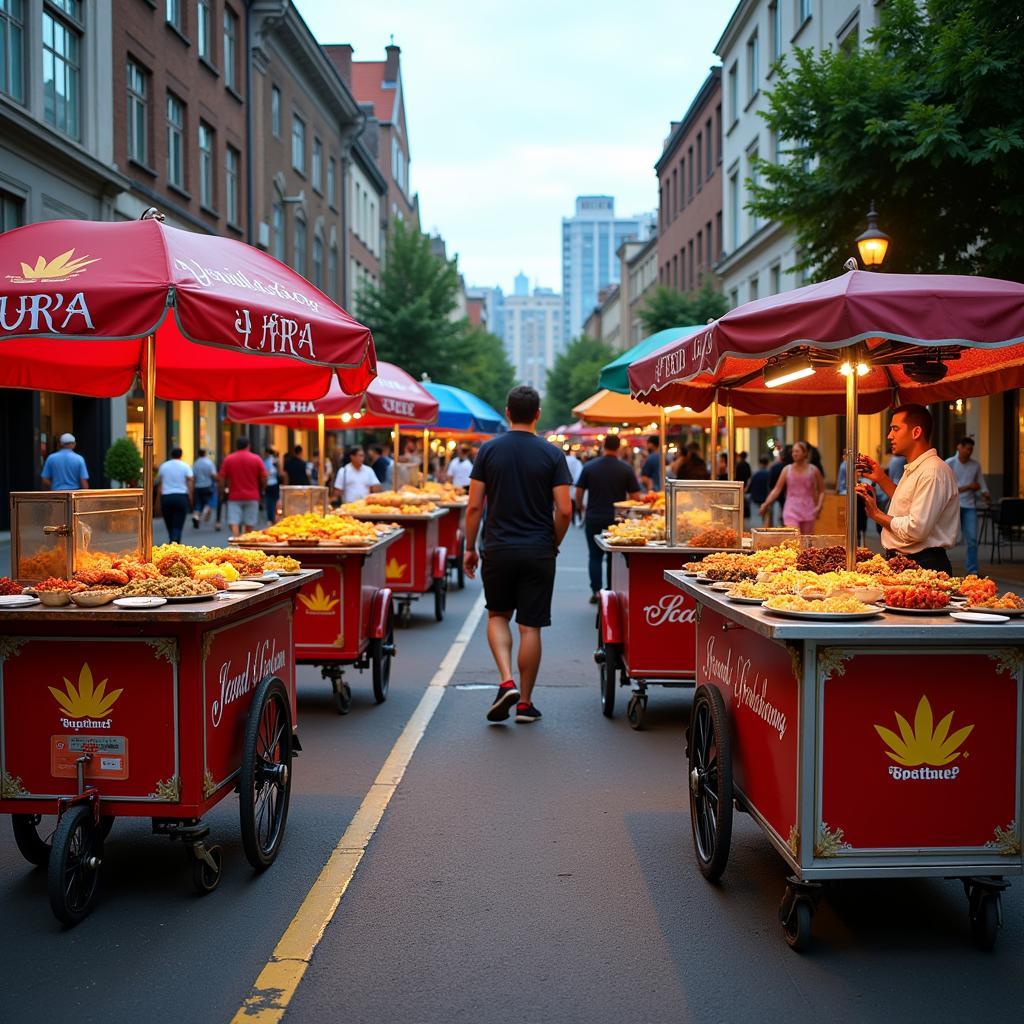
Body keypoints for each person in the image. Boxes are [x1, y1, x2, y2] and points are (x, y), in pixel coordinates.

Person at [465, 385, 572, 725]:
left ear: (507, 412)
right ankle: (525, 703)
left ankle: (505, 679)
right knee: (531, 628)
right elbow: (566, 510)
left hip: (497, 547)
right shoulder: (553, 454)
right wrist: (551, 542)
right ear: (537, 414)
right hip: (538, 549)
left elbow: (473, 506)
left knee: (497, 615)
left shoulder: (488, 451)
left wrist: (469, 547)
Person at [855, 404, 959, 573]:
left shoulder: (932, 471)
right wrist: (881, 478)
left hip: (923, 565)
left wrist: (877, 515)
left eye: (895, 429)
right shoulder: (918, 467)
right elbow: (909, 504)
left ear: (916, 432)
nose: (889, 436)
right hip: (906, 562)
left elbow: (916, 529)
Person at [575, 435, 642, 604]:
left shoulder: (589, 467)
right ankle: (611, 590)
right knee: (613, 556)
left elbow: (578, 493)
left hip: (594, 516)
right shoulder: (625, 469)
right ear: (619, 447)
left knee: (595, 555)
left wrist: (580, 508)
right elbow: (635, 496)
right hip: (617, 519)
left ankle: (596, 591)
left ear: (604, 446)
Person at [945, 436, 990, 576]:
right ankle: (942, 566)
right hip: (953, 505)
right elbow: (946, 488)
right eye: (967, 448)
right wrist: (968, 487)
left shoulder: (975, 465)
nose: (969, 452)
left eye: (971, 449)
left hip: (969, 505)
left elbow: (981, 482)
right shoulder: (949, 463)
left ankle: (972, 569)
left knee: (972, 539)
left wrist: (985, 492)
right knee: (946, 537)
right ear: (959, 447)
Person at [759, 440, 823, 534]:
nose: (794, 454)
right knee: (795, 538)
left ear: (805, 453)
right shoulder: (786, 470)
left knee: (806, 541)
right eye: (793, 451)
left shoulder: (813, 470)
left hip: (808, 509)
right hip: (791, 509)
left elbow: (822, 490)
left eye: (797, 451)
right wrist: (765, 504)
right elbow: (777, 489)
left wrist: (819, 506)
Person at [219, 436, 267, 537]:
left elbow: (222, 477)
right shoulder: (256, 459)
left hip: (234, 495)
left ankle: (236, 542)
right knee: (249, 523)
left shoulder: (229, 459)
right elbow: (264, 476)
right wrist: (262, 488)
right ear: (248, 445)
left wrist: (222, 490)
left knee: (234, 521)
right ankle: (246, 545)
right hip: (252, 495)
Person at [155, 447, 194, 543]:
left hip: (167, 497)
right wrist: (190, 496)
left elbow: (159, 483)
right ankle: (175, 540)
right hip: (181, 497)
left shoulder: (164, 466)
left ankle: (173, 540)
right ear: (181, 455)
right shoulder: (185, 466)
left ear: (170, 454)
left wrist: (157, 501)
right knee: (178, 522)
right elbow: (190, 480)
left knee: (169, 522)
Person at [191, 448, 218, 528]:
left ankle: (196, 516)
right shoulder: (209, 463)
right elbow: (213, 474)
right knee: (208, 502)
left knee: (198, 503)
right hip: (208, 485)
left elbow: (194, 476)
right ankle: (206, 511)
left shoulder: (195, 463)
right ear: (205, 453)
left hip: (198, 486)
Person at [747, 455, 771, 525]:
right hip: (766, 498)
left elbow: (750, 486)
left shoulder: (755, 474)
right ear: (768, 463)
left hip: (755, 499)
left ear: (759, 463)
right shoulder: (769, 474)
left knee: (756, 519)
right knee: (766, 517)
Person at [565, 447, 583, 525]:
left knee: (568, 501)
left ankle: (571, 518)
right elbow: (580, 473)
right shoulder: (576, 461)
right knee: (574, 501)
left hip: (565, 485)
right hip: (574, 484)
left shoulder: (563, 459)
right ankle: (577, 517)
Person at [263, 446, 281, 525]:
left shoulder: (266, 461)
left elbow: (265, 473)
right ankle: (275, 517)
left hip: (269, 483)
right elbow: (279, 472)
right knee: (275, 501)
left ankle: (271, 518)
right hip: (275, 482)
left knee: (269, 501)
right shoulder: (275, 460)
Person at [735, 450, 752, 518]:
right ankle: (745, 515)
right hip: (745, 486)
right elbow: (749, 477)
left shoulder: (738, 465)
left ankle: (741, 515)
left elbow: (736, 477)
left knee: (739, 502)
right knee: (745, 502)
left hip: (738, 486)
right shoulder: (747, 465)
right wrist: (747, 487)